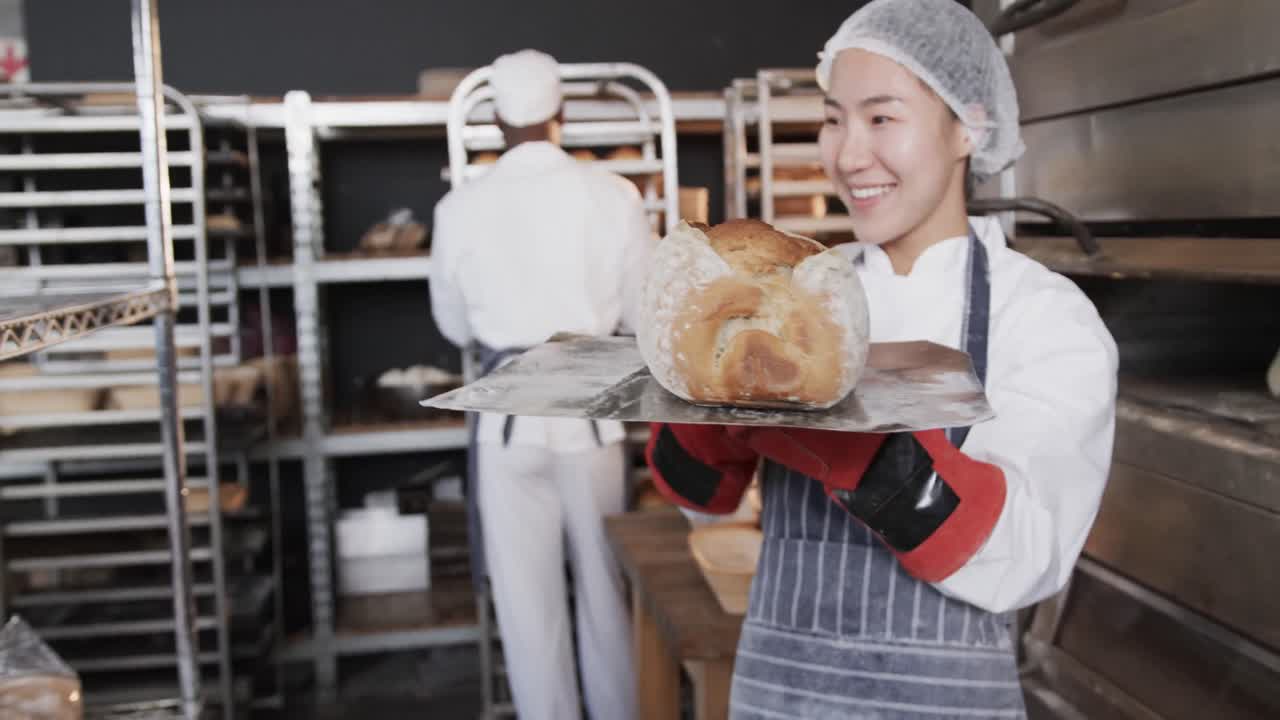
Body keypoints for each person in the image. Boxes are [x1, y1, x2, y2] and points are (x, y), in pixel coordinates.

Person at [645, 1, 1118, 717]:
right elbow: (702, 509)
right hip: (779, 696)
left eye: (882, 118)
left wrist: (871, 460)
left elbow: (1029, 557)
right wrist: (703, 428)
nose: (847, 155)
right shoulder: (796, 292)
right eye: (834, 119)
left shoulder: (1043, 317)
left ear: (969, 127)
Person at [429, 49, 648, 720]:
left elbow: (452, 326)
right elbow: (641, 315)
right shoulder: (614, 195)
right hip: (591, 417)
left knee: (527, 608)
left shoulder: (459, 206)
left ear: (496, 120)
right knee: (607, 593)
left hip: (507, 421)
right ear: (563, 112)